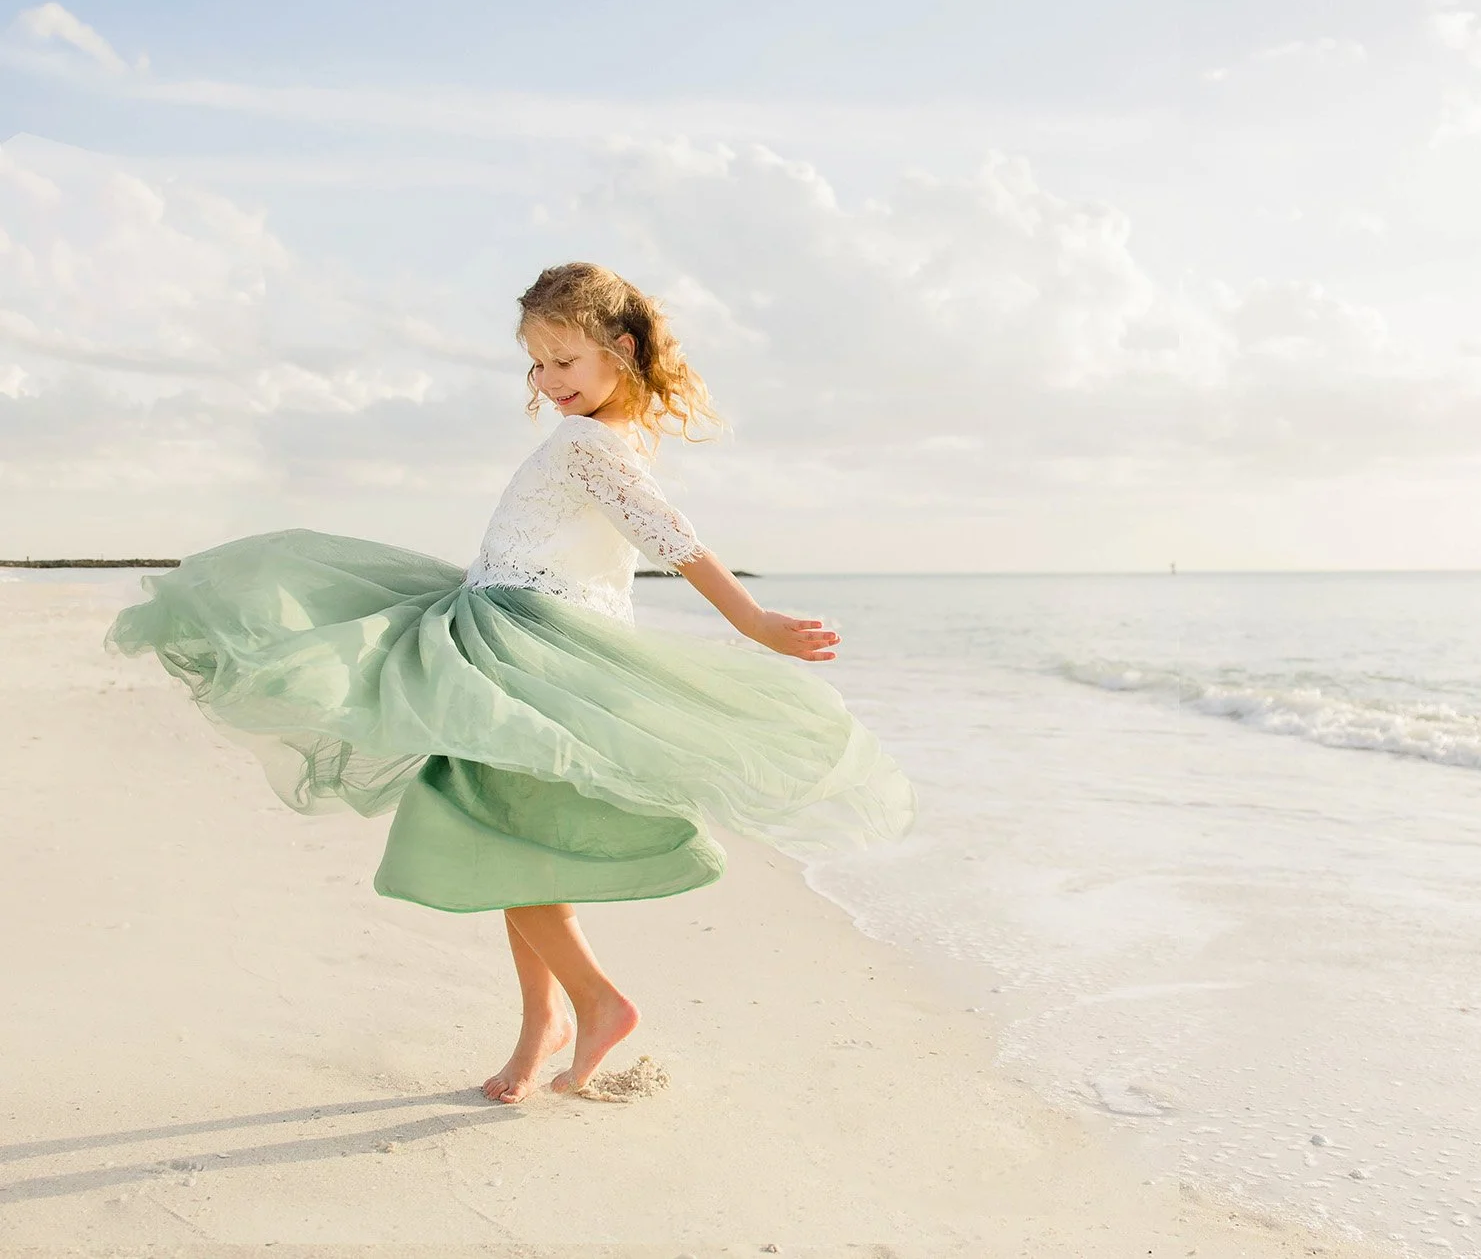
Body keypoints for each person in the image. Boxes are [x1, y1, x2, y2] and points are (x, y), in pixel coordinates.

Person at [107, 262, 917, 1103]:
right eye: (536, 364)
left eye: (565, 360)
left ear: (621, 349)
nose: (548, 380)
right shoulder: (609, 437)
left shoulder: (587, 443)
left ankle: (596, 1003)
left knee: (489, 831)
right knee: (514, 842)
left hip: (526, 653)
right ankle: (545, 1024)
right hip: (520, 645)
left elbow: (667, 535)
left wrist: (751, 620)